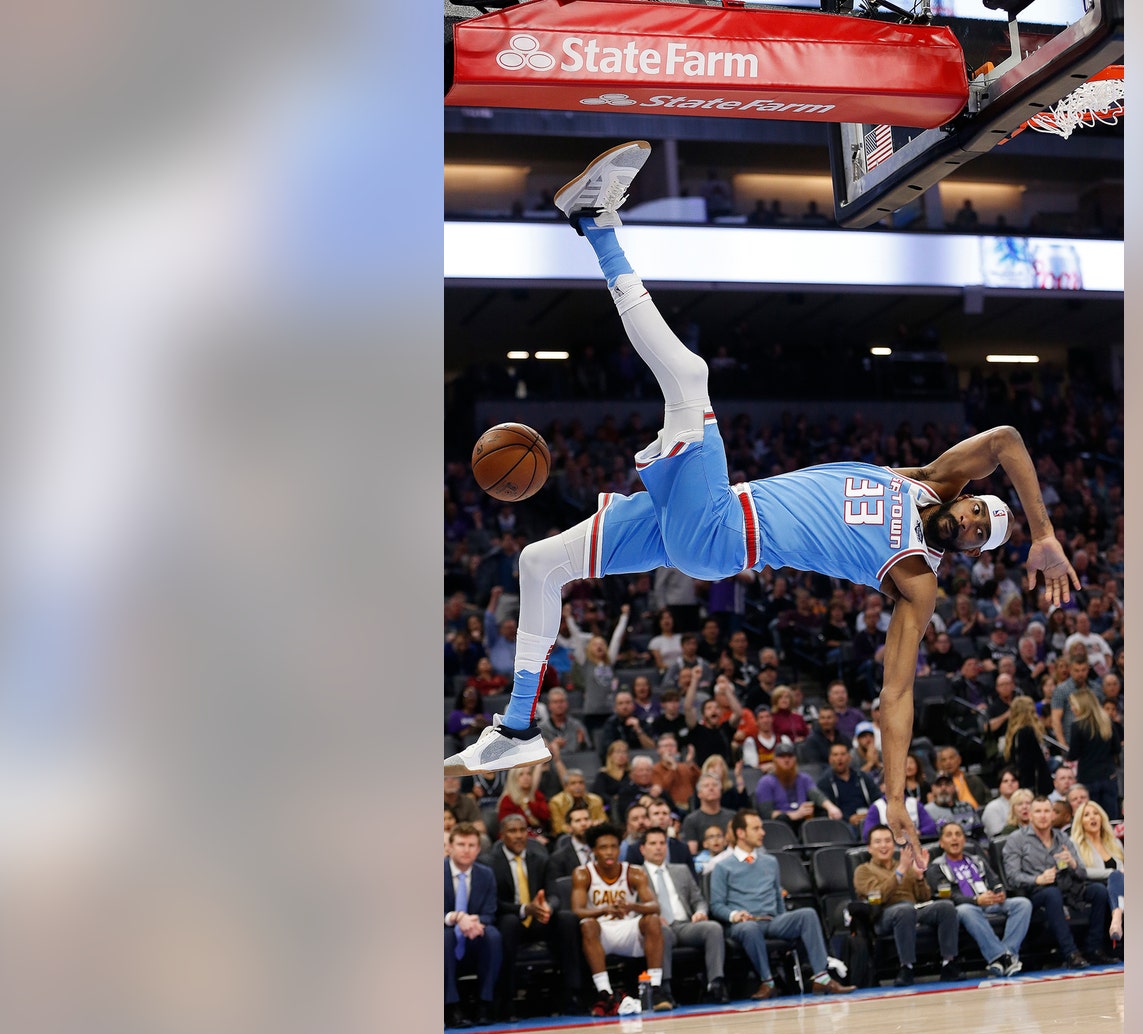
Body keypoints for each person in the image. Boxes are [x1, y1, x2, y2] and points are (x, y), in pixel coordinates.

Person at [451, 143, 1082, 872]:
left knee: (689, 377)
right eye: (981, 513)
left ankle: (596, 222)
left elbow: (897, 699)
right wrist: (1042, 531)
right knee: (540, 562)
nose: (972, 525)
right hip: (700, 521)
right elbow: (1005, 438)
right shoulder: (931, 479)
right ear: (969, 497)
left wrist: (899, 803)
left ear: (967, 554)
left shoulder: (916, 576)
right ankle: (518, 722)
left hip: (723, 535)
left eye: (980, 538)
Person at [710, 810, 856, 998]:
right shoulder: (722, 866)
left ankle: (822, 978)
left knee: (808, 914)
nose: (762, 832)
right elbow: (716, 904)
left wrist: (783, 919)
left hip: (772, 920)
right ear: (741, 833)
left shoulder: (770, 862)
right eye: (756, 828)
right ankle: (767, 982)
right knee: (750, 928)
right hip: (743, 923)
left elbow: (777, 897)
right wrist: (734, 915)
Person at [1001, 798, 1114, 968]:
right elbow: (1012, 877)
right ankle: (1070, 953)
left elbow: (1082, 873)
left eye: (1047, 811)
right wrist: (1037, 879)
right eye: (1038, 812)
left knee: (1099, 891)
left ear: (1053, 815)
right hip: (1035, 892)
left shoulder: (1062, 838)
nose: (1043, 816)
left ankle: (1094, 948)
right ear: (1030, 815)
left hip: (1067, 888)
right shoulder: (1016, 840)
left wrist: (1073, 863)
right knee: (1052, 894)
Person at [488, 814, 582, 1015]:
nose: (519, 836)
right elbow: (494, 903)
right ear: (502, 835)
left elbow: (554, 894)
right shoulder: (490, 863)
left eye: (522, 830)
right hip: (511, 921)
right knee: (509, 923)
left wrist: (547, 907)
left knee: (567, 919)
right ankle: (508, 999)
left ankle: (572, 994)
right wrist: (524, 909)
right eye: (513, 831)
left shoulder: (541, 859)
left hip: (540, 919)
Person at [571, 823, 667, 1015]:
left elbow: (654, 906)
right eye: (603, 848)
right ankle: (604, 992)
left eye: (613, 847)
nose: (609, 852)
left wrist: (632, 906)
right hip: (601, 932)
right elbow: (578, 911)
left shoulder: (634, 872)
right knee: (587, 925)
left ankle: (654, 988)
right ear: (593, 851)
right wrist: (604, 909)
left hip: (628, 929)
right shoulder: (583, 873)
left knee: (653, 920)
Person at [852, 825, 961, 985]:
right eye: (878, 842)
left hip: (913, 910)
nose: (883, 845)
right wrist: (900, 871)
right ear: (869, 848)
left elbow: (924, 897)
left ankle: (948, 964)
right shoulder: (863, 870)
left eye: (888, 841)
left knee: (946, 907)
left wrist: (918, 876)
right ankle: (906, 967)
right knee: (905, 910)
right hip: (882, 915)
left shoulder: (904, 865)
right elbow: (878, 896)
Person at [925, 822, 1031, 978]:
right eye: (949, 835)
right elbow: (948, 895)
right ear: (941, 842)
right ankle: (998, 957)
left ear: (964, 840)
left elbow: (995, 880)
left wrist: (999, 892)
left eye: (958, 834)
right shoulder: (936, 867)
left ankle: (1007, 955)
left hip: (989, 902)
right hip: (964, 908)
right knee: (966, 910)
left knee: (1023, 904)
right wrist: (976, 900)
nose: (954, 838)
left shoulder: (976, 860)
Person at [638, 825, 731, 1004]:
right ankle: (663, 990)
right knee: (660, 932)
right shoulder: (635, 874)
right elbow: (633, 907)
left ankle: (715, 984)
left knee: (712, 928)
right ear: (642, 849)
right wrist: (652, 919)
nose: (658, 847)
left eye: (662, 843)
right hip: (658, 926)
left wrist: (700, 912)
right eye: (653, 843)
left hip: (685, 925)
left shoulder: (681, 870)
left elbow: (699, 899)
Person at [445, 826, 502, 1027]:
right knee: (445, 937)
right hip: (445, 934)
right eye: (461, 844)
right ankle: (451, 1007)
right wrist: (457, 917)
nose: (466, 850)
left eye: (471, 845)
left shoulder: (486, 874)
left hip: (473, 934)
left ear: (478, 849)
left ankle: (484, 1004)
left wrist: (474, 922)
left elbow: (490, 912)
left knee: (493, 935)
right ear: (449, 847)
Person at [1069, 800, 1126, 946]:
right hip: (1093, 885)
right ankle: (1117, 918)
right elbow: (1082, 871)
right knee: (1115, 876)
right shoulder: (1075, 844)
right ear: (1080, 821)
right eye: (1087, 815)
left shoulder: (1114, 842)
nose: (1093, 817)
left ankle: (1117, 918)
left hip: (1120, 884)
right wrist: (1110, 872)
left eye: (1096, 814)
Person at [1063, 688, 1121, 818]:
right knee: (1110, 819)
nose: (1072, 708)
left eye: (1073, 705)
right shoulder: (1107, 722)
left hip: (1087, 779)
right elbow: (1117, 749)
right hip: (1108, 777)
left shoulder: (1077, 726)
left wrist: (1067, 755)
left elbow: (1074, 754)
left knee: (1091, 818)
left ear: (1082, 705)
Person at [754, 744, 841, 824]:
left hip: (802, 823)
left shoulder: (803, 778)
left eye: (790, 756)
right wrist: (794, 815)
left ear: (795, 759)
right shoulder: (766, 782)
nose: (786, 760)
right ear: (775, 760)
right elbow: (767, 814)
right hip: (779, 828)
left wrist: (831, 808)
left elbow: (816, 795)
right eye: (782, 757)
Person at [816, 742, 879, 830]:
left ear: (849, 757)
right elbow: (824, 811)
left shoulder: (862, 777)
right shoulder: (825, 782)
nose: (839, 758)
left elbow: (877, 798)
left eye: (843, 754)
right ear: (830, 759)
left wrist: (869, 814)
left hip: (867, 818)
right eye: (835, 755)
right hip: (841, 825)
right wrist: (848, 818)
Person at [999, 696, 1053, 795]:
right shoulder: (1026, 732)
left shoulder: (1015, 733)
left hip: (1025, 783)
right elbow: (1029, 762)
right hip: (1032, 785)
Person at [677, 772, 736, 855]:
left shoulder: (732, 817)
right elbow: (692, 852)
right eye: (706, 786)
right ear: (699, 794)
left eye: (715, 785)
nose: (711, 788)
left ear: (720, 791)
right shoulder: (691, 820)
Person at [497, 763, 550, 839]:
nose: (526, 778)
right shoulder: (507, 800)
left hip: (542, 834)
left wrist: (530, 803)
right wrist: (533, 837)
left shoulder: (537, 795)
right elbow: (508, 828)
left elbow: (546, 816)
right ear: (513, 778)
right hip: (518, 838)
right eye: (521, 774)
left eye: (528, 774)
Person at [548, 768, 608, 835]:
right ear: (565, 786)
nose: (578, 786)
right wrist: (578, 828)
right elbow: (558, 828)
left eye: (581, 783)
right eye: (573, 783)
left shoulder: (596, 800)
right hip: (567, 837)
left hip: (593, 835)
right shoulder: (556, 802)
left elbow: (604, 821)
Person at [547, 804, 598, 880]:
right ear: (569, 828)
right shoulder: (558, 859)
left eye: (586, 819)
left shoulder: (602, 850)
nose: (584, 824)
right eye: (578, 820)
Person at [650, 732, 700, 809]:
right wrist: (672, 769)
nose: (669, 749)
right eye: (666, 746)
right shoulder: (655, 769)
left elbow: (699, 781)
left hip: (690, 806)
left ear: (676, 750)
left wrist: (691, 764)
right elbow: (663, 790)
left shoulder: (684, 767)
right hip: (670, 808)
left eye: (672, 746)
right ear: (659, 750)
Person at [924, 773, 982, 837]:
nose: (943, 788)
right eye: (939, 785)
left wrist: (984, 846)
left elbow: (980, 832)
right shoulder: (926, 811)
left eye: (947, 784)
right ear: (933, 789)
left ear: (954, 787)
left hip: (969, 844)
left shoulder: (967, 806)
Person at [981, 769, 1021, 838]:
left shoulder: (1027, 804)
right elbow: (998, 837)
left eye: (1013, 780)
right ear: (999, 786)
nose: (1010, 783)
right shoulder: (992, 807)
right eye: (1005, 781)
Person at [593, 739, 632, 807]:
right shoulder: (603, 775)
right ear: (610, 755)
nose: (621, 755)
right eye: (617, 752)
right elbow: (599, 793)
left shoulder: (632, 774)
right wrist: (613, 800)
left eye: (624, 752)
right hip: (609, 807)